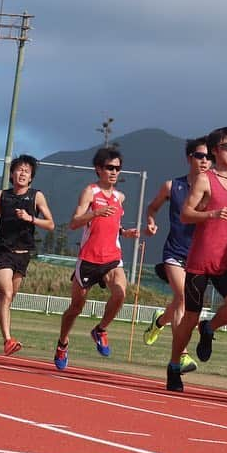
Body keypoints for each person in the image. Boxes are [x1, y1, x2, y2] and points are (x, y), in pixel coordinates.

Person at [165, 127, 227, 392]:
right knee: (189, 318)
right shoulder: (204, 180)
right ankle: (174, 366)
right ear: (215, 150)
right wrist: (211, 215)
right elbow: (186, 214)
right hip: (201, 259)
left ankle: (209, 327)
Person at [53, 146, 140, 370]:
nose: (114, 172)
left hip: (112, 257)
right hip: (89, 258)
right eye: (109, 168)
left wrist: (124, 232)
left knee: (121, 293)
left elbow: (111, 225)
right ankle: (62, 343)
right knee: (76, 307)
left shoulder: (120, 197)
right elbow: (74, 222)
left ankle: (100, 329)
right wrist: (95, 212)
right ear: (99, 169)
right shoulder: (90, 192)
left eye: (118, 168)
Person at [143, 137, 213, 374]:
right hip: (174, 252)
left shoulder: (214, 189)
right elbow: (152, 207)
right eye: (199, 156)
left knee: (181, 301)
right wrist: (151, 222)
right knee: (183, 298)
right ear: (189, 158)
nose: (204, 161)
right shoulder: (172, 186)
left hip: (199, 256)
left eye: (209, 157)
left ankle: (160, 321)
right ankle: (181, 355)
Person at [0, 154, 55, 356]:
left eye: (27, 171)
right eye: (19, 169)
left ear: (31, 177)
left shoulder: (36, 196)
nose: (22, 173)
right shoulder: (2, 195)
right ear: (12, 174)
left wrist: (30, 218)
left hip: (23, 254)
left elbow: (50, 224)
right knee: (7, 294)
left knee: (10, 295)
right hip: (3, 251)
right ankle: (7, 340)